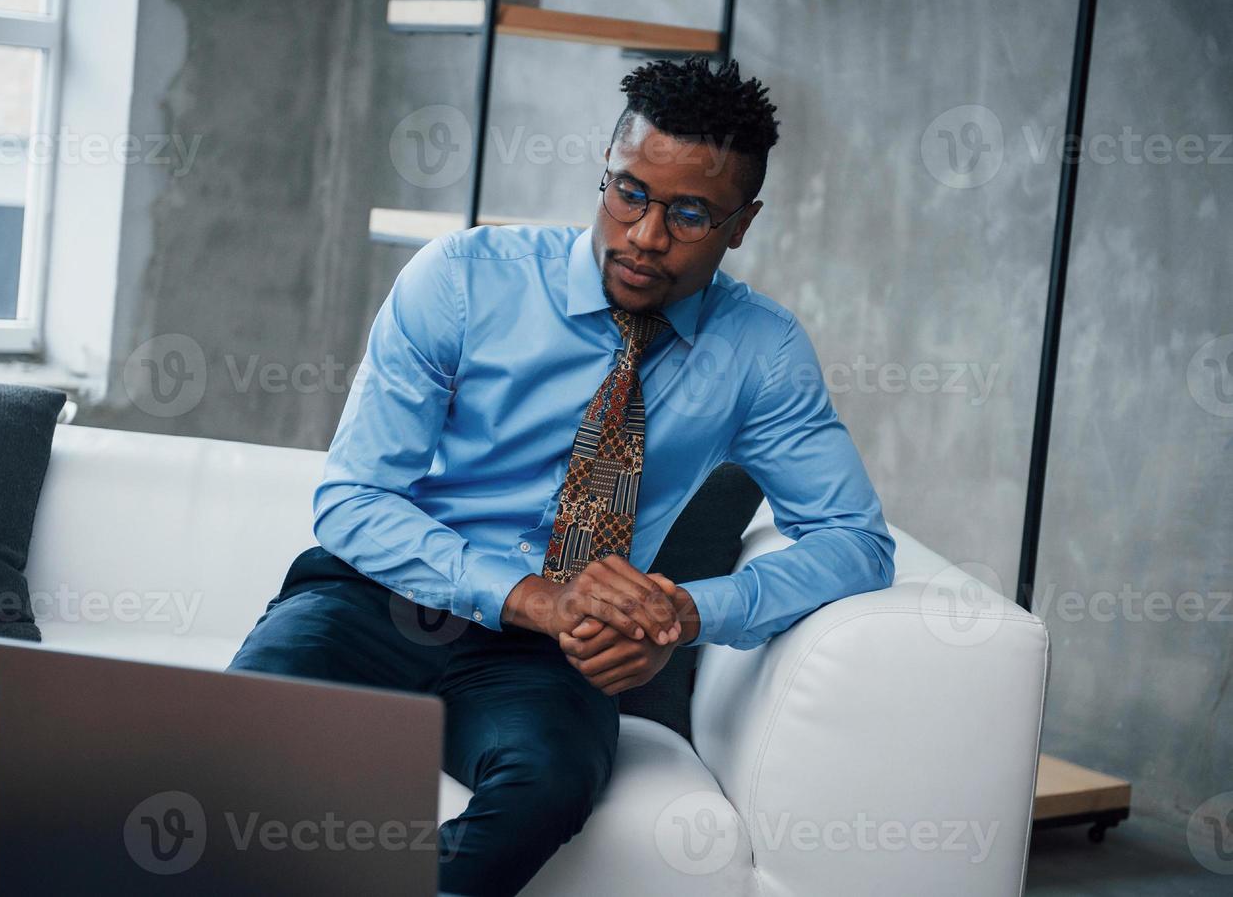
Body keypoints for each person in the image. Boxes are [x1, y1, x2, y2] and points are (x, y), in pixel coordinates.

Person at [228, 56, 895, 896]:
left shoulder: (761, 350)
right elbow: (353, 500)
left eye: (691, 214)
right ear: (605, 175)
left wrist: (687, 612)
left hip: (552, 658)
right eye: (629, 193)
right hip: (377, 599)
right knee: (232, 743)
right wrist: (534, 594)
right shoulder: (465, 280)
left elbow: (856, 543)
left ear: (742, 223)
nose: (647, 237)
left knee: (547, 786)